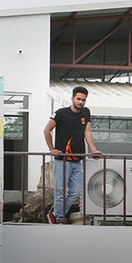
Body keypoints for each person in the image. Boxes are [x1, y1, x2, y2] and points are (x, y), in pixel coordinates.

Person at [42, 85, 101, 224]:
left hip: (77, 160)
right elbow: (47, 130)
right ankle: (59, 219)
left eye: (83, 100)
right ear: (72, 98)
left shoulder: (86, 112)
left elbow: (87, 132)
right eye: (78, 99)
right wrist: (52, 149)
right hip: (62, 160)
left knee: (75, 192)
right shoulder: (61, 113)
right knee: (60, 191)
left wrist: (93, 149)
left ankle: (56, 214)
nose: (81, 102)